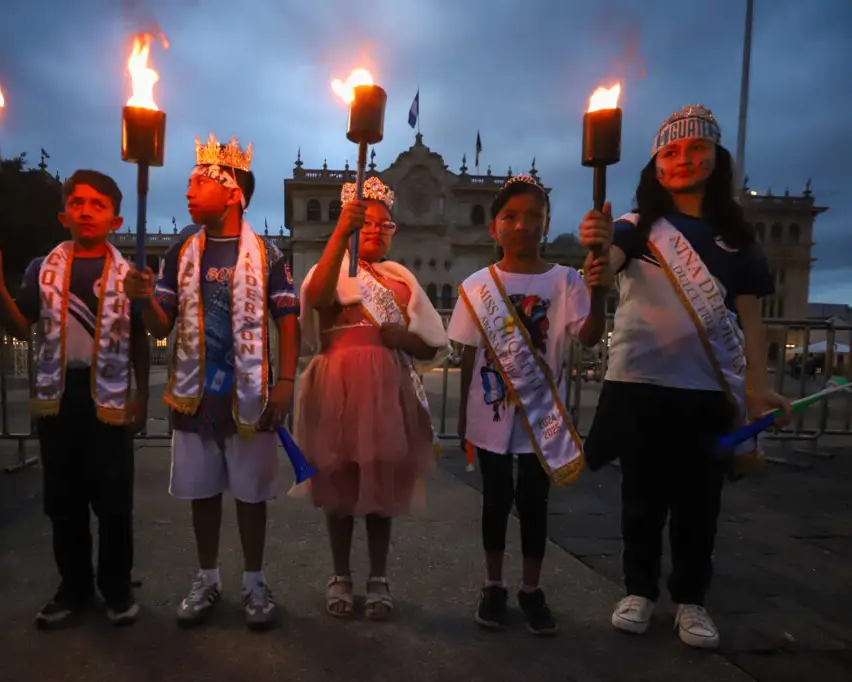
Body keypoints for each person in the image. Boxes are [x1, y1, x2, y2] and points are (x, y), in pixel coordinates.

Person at [581, 105, 791, 649]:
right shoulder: (634, 227)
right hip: (640, 383)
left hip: (704, 389)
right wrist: (597, 251)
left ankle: (692, 600)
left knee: (700, 504)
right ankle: (639, 590)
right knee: (641, 499)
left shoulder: (737, 240)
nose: (683, 160)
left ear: (717, 159)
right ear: (655, 164)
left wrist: (758, 386)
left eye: (697, 149)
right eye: (670, 152)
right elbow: (608, 258)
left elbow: (752, 322)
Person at [124, 133, 299, 631]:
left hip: (250, 397)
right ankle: (207, 577)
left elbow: (288, 319)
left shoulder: (267, 253)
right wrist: (142, 300)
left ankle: (253, 581)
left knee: (251, 496)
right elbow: (162, 325)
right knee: (202, 494)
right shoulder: (181, 249)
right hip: (193, 394)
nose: (187, 191)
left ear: (233, 191)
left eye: (199, 182)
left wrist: (286, 381)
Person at [0, 169, 149, 628]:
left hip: (110, 394)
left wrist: (142, 394)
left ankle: (115, 587)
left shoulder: (128, 271)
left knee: (113, 501)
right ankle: (73, 587)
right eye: (78, 203)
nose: (86, 211)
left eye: (98, 204)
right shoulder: (43, 268)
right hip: (59, 395)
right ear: (63, 215)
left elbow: (139, 336)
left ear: (115, 220)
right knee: (64, 500)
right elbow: (20, 325)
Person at [446, 174, 609, 635]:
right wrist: (462, 416)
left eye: (533, 217)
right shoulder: (477, 285)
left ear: (546, 223)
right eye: (510, 217)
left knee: (535, 503)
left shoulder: (566, 280)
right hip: (489, 414)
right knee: (495, 502)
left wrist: (600, 297)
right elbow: (470, 354)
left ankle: (531, 589)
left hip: (543, 417)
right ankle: (494, 584)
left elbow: (590, 335)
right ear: (494, 227)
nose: (522, 225)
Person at [296, 176, 449, 621]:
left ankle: (378, 577)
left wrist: (403, 336)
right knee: (340, 481)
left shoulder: (402, 279)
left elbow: (430, 344)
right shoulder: (331, 268)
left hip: (386, 389)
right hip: (337, 384)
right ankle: (340, 574)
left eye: (387, 225)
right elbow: (318, 297)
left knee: (381, 484)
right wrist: (340, 235)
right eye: (370, 223)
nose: (379, 230)